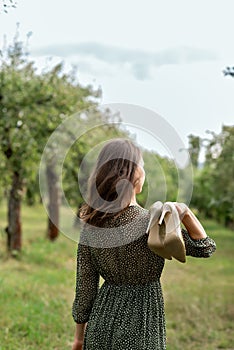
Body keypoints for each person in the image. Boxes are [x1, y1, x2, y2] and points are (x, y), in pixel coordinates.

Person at [71, 138, 216, 350]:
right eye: (142, 166)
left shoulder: (91, 226)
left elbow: (85, 290)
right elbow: (205, 247)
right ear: (132, 174)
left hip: (99, 326)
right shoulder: (151, 223)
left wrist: (79, 339)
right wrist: (185, 212)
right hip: (142, 326)